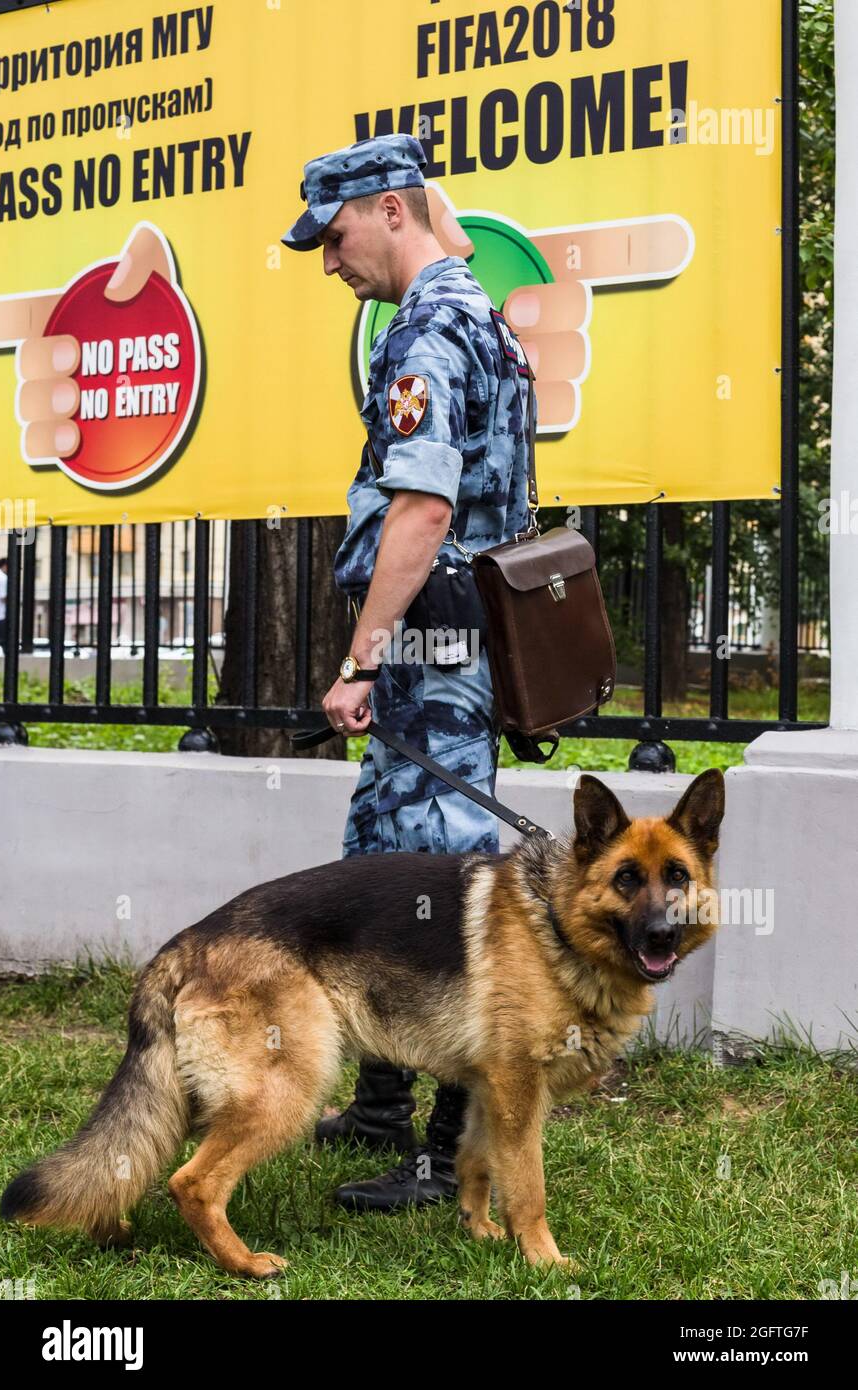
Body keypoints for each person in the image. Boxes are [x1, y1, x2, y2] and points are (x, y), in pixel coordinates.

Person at [281, 133, 535, 1211]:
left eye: (334, 239)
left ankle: (448, 1151)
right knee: (386, 862)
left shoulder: (430, 326)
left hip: (429, 639)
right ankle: (381, 1107)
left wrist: (359, 656)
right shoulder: (473, 313)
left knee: (439, 889)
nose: (330, 263)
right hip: (441, 638)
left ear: (390, 209)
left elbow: (424, 509)